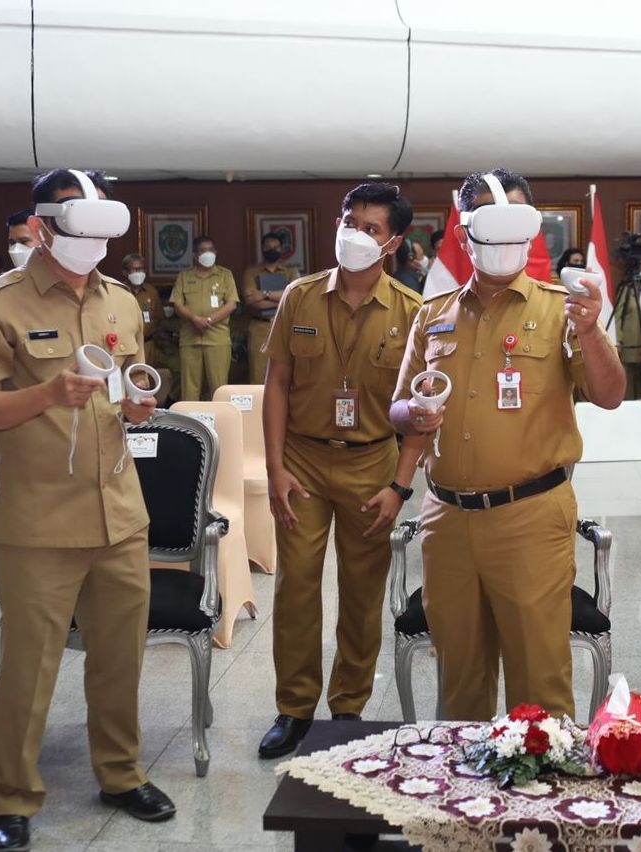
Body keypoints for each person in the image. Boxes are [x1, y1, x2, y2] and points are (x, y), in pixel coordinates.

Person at [0, 168, 176, 852]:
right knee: (29, 669)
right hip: (39, 521)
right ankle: (11, 798)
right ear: (40, 227)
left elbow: (128, 385)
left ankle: (121, 774)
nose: (92, 239)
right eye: (77, 222)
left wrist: (138, 405)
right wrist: (49, 394)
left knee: (119, 660)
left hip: (119, 511)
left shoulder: (122, 301)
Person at [391, 168, 626, 720]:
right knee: (460, 685)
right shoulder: (434, 314)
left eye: (515, 224)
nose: (503, 239)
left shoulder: (562, 308)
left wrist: (591, 330)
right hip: (448, 520)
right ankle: (465, 776)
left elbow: (610, 394)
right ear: (463, 233)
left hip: (531, 517)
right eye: (488, 224)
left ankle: (540, 778)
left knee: (540, 687)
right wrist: (416, 413)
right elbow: (397, 408)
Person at [257, 182, 425, 758]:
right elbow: (277, 384)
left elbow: (422, 411)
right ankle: (294, 708)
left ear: (393, 243)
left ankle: (348, 706)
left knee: (361, 592)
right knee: (297, 587)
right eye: (350, 222)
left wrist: (400, 486)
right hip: (302, 460)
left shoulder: (411, 312)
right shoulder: (299, 296)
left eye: (371, 228)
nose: (355, 235)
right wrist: (275, 468)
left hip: (372, 462)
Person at [169, 236, 238, 400]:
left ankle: (219, 416)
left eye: (210, 250)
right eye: (202, 250)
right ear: (195, 255)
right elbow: (177, 304)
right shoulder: (184, 277)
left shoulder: (225, 275)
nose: (207, 253)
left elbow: (231, 304)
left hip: (217, 339)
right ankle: (189, 417)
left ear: (216, 252)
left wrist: (209, 320)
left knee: (218, 388)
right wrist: (194, 319)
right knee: (189, 388)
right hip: (190, 340)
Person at [240, 232, 301, 384]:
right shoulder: (251, 272)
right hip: (260, 327)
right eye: (268, 247)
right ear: (262, 249)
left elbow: (296, 297)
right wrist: (283, 299)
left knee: (287, 372)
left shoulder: (291, 272)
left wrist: (264, 294)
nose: (272, 250)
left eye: (276, 247)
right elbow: (253, 302)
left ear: (281, 249)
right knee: (258, 374)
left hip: (284, 326)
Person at [121, 253, 164, 366]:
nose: (139, 273)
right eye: (135, 269)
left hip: (147, 345)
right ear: (125, 272)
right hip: (125, 346)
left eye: (141, 269)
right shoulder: (119, 292)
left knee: (146, 375)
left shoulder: (151, 292)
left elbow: (159, 318)